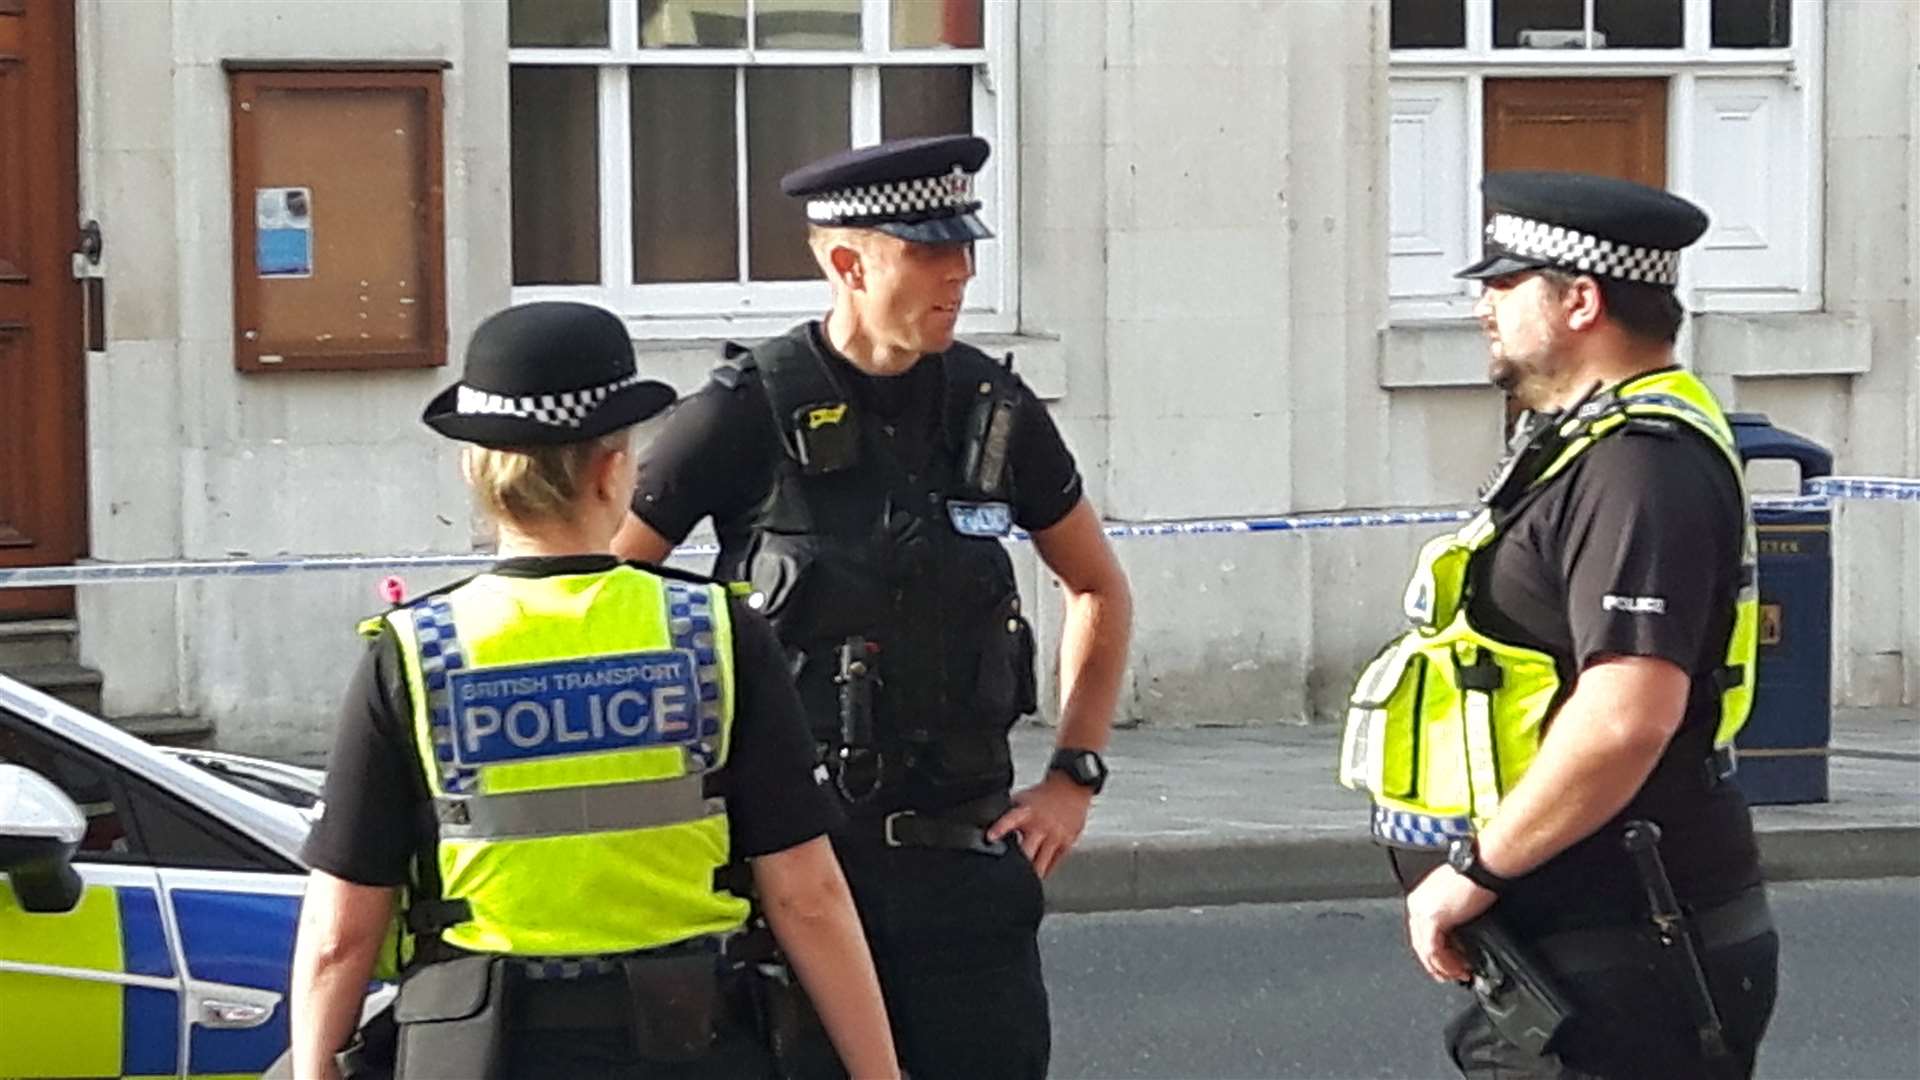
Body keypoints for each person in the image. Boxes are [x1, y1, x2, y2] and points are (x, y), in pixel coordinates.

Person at [610, 134, 1133, 1079]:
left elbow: (1096, 584)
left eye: (966, 249)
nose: (962, 273)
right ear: (849, 261)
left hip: (966, 874)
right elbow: (606, 596)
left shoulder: (991, 407)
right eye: (930, 251)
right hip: (798, 874)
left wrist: (1073, 777)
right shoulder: (743, 410)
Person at [288, 301, 899, 1080]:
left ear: (475, 472)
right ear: (613, 471)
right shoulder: (710, 632)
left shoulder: (415, 652)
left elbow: (343, 929)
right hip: (689, 1043)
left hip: (480, 1048)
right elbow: (806, 895)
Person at [1339, 171, 1778, 1078]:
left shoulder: (1639, 470)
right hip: (1577, 945)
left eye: (1505, 283)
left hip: (1627, 942)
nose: (1481, 307)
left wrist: (1478, 872)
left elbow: (1626, 715)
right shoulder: (1589, 445)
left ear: (1581, 300)